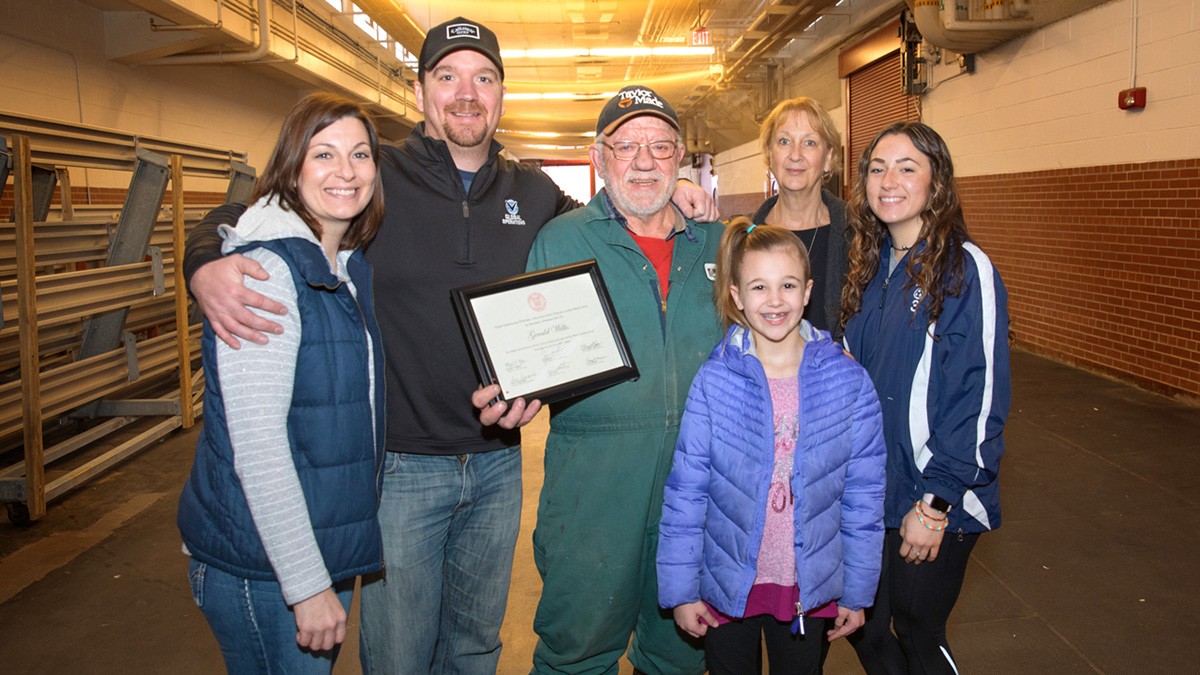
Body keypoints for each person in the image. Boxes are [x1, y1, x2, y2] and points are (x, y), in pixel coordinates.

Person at [182, 18, 718, 674]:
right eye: (448, 76)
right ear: (419, 92)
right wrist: (205, 258)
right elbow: (259, 208)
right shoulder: (372, 172)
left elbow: (619, 209)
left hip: (496, 468)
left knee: (474, 648)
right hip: (401, 469)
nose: (467, 93)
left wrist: (682, 192)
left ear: (500, 95)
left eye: (483, 78)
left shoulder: (534, 190)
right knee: (400, 655)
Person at [515, 84, 723, 675]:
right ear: (597, 155)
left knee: (680, 657)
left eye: (660, 147)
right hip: (593, 487)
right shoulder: (562, 239)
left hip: (694, 487)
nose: (643, 161)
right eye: (625, 144)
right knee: (575, 650)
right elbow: (531, 353)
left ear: (681, 156)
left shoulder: (716, 241)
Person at [176, 93, 386, 673]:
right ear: (292, 167)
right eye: (324, 154)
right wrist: (307, 585)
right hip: (266, 566)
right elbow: (260, 445)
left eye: (360, 154)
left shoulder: (339, 263)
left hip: (313, 550)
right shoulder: (268, 273)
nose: (346, 171)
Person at [656, 218, 887, 674]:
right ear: (737, 297)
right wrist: (682, 590)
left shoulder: (848, 381)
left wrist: (858, 592)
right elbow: (687, 492)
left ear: (808, 291)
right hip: (726, 581)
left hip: (804, 582)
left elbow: (864, 497)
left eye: (788, 285)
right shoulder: (716, 379)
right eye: (759, 287)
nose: (775, 300)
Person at [839, 122, 1011, 675]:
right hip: (874, 491)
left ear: (936, 181)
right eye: (876, 168)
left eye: (907, 167)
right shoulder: (867, 267)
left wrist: (935, 504)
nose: (889, 180)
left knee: (918, 630)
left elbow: (978, 396)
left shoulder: (963, 267)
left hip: (936, 495)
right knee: (861, 624)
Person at [750, 97, 849, 336]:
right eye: (784, 141)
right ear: (769, 154)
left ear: (828, 158)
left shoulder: (859, 235)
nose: (795, 155)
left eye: (809, 143)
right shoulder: (745, 240)